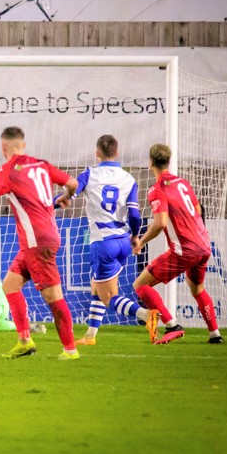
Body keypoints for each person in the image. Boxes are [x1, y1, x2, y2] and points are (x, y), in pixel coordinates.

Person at [0, 126, 80, 360]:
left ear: (2, 147)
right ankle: (25, 341)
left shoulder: (7, 171)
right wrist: (66, 197)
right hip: (40, 239)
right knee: (10, 286)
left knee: (53, 298)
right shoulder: (42, 166)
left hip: (37, 241)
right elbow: (73, 183)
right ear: (23, 145)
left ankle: (70, 349)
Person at [55, 135, 153, 345]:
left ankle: (146, 315)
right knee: (96, 285)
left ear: (97, 153)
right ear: (117, 153)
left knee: (108, 296)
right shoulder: (129, 179)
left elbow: (66, 198)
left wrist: (48, 205)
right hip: (122, 241)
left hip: (103, 242)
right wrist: (135, 236)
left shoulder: (89, 175)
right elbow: (135, 215)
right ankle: (90, 336)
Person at [130, 143, 222, 344]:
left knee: (140, 285)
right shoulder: (183, 183)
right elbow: (198, 210)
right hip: (204, 246)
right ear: (169, 161)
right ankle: (215, 335)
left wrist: (142, 241)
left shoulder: (157, 189)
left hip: (184, 250)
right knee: (197, 289)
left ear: (150, 163)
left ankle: (172, 325)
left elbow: (160, 222)